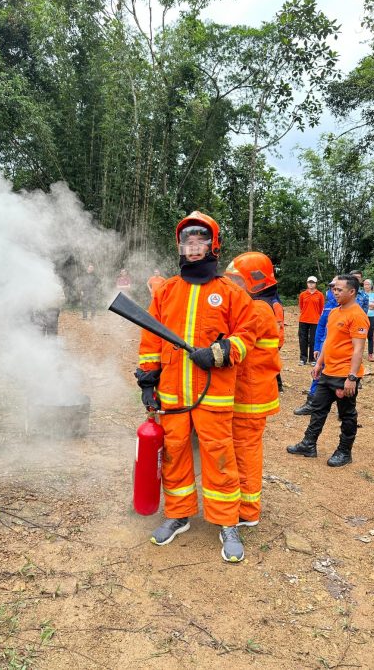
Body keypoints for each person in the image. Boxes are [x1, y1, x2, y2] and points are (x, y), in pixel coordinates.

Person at [135, 211, 256, 563]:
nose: (193, 246)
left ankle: (227, 521)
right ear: (180, 246)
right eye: (187, 240)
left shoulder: (230, 293)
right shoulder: (166, 291)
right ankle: (178, 513)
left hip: (213, 392)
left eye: (200, 240)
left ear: (213, 245)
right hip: (172, 394)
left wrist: (220, 352)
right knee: (173, 455)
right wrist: (148, 378)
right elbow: (149, 339)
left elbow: (248, 335)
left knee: (220, 457)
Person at [287, 275, 370, 467]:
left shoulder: (358, 316)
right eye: (334, 289)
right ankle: (309, 444)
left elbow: (358, 349)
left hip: (345, 375)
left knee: (347, 414)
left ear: (352, 292)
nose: (335, 292)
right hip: (328, 372)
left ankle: (344, 452)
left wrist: (352, 377)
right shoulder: (334, 312)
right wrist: (318, 364)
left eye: (339, 289)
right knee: (318, 409)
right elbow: (328, 341)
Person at [225, 252, 281, 527]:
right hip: (253, 393)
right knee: (244, 449)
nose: (232, 284)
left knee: (245, 451)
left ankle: (247, 510)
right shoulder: (261, 307)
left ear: (254, 281)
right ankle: (244, 504)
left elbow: (231, 344)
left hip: (250, 396)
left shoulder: (256, 310)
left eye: (236, 279)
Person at [294, 277, 338, 415]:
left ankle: (344, 410)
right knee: (317, 373)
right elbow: (321, 326)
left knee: (341, 379)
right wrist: (318, 347)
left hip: (341, 350)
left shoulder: (353, 308)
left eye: (337, 288)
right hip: (326, 346)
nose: (334, 290)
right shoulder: (330, 305)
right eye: (332, 287)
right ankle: (311, 403)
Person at [298, 276, 324, 365]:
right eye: (309, 282)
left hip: (315, 320)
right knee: (303, 339)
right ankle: (303, 358)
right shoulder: (302, 294)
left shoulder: (320, 295)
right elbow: (301, 307)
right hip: (303, 319)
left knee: (314, 340)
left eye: (313, 282)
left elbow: (321, 308)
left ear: (316, 284)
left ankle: (313, 359)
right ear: (307, 283)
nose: (311, 284)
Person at [363, 278, 374, 362]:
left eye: (368, 284)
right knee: (360, 335)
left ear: (371, 285)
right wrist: (371, 305)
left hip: (371, 316)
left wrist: (367, 304)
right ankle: (358, 354)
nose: (366, 286)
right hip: (362, 316)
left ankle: (370, 354)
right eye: (365, 284)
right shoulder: (361, 294)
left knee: (370, 336)